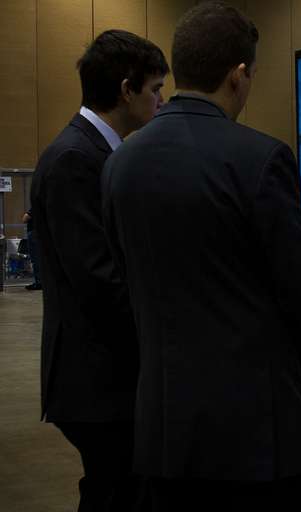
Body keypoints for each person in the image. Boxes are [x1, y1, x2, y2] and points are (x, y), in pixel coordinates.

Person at [100, 3, 301, 511]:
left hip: (162, 431)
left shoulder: (120, 164)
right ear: (239, 75)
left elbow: (124, 283)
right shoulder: (261, 159)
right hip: (256, 439)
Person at [30, 30, 169, 511]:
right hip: (95, 381)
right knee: (118, 490)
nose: (160, 101)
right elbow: (98, 278)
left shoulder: (94, 152)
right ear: (127, 89)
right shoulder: (76, 159)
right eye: (154, 90)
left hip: (101, 375)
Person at [22, 209, 42, 290]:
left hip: (33, 233)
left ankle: (39, 283)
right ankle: (40, 282)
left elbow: (24, 219)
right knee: (40, 259)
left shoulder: (36, 207)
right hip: (40, 234)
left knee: (35, 259)